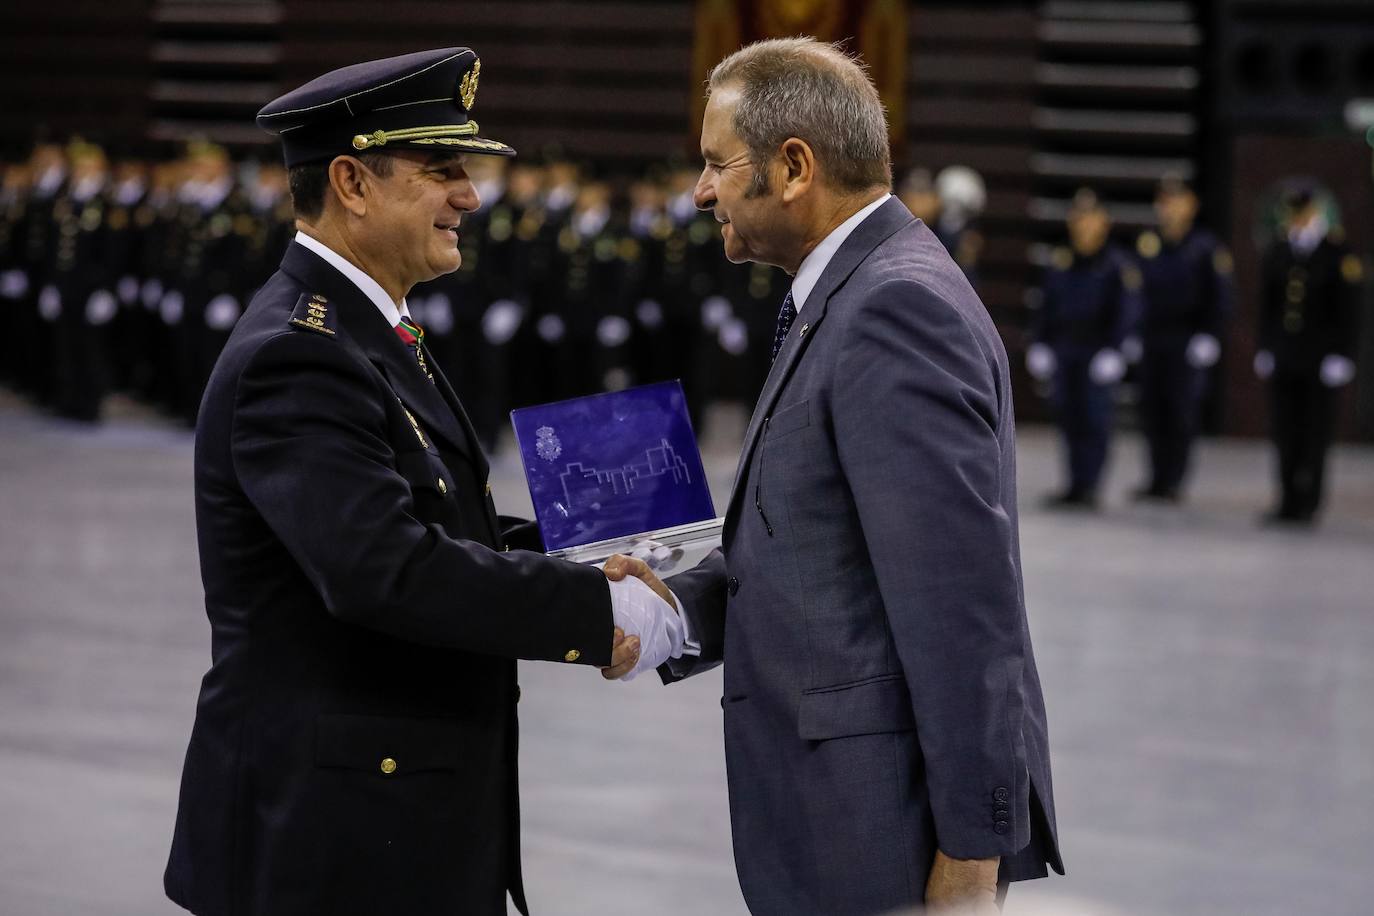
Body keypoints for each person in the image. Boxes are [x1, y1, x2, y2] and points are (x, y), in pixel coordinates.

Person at [163, 47, 683, 916]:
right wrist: (594, 611)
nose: (470, 196)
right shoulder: (300, 353)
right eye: (442, 170)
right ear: (351, 182)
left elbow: (433, 514)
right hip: (326, 840)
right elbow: (385, 569)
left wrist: (587, 552)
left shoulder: (373, 327)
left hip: (384, 818)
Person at [605, 38, 1061, 914]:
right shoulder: (845, 290)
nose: (700, 191)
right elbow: (815, 548)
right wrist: (672, 610)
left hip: (879, 840)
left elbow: (965, 611)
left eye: (715, 164)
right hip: (836, 822)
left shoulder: (894, 308)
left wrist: (971, 864)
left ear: (794, 167)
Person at [1254, 184, 1362, 524]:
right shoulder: (1280, 251)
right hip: (1287, 355)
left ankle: (1309, 501)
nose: (1300, 220)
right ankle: (1286, 498)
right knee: (1286, 430)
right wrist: (1265, 347)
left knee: (1315, 432)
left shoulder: (1338, 255)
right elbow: (1267, 306)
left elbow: (1351, 311)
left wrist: (1343, 354)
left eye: (1305, 214)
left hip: (1320, 359)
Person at [1026, 189, 1141, 508]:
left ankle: (1090, 484)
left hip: (1097, 351)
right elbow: (1045, 306)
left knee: (1095, 418)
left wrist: (1116, 350)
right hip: (1065, 349)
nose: (1084, 225)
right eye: (1078, 217)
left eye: (1091, 217)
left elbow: (1128, 310)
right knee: (1068, 416)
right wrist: (1040, 344)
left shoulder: (1117, 265)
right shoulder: (1060, 261)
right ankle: (1074, 483)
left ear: (1104, 222)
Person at [1129, 176, 1233, 501]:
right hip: (1153, 338)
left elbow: (1221, 296)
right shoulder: (1148, 243)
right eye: (1164, 202)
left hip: (1185, 339)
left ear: (1191, 205)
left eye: (1177, 201)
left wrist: (1209, 335)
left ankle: (1174, 479)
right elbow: (1135, 293)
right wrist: (1131, 333)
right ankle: (1156, 477)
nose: (1169, 208)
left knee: (1180, 410)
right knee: (1152, 409)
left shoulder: (1205, 248)